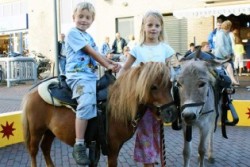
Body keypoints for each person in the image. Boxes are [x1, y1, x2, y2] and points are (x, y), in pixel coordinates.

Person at [65, 2, 121, 165]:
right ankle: (79, 144)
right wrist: (108, 65)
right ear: (73, 17)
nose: (83, 20)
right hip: (78, 76)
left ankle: (99, 135)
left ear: (92, 20)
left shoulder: (88, 37)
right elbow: (91, 52)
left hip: (90, 77)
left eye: (87, 17)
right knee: (86, 101)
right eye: (80, 16)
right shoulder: (72, 33)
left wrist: (114, 62)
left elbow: (99, 54)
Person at [118, 10, 175, 167]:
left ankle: (153, 157)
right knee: (145, 133)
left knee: (155, 132)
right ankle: (148, 163)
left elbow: (171, 70)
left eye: (157, 25)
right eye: (150, 25)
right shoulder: (137, 49)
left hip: (161, 97)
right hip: (144, 99)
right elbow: (125, 69)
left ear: (161, 28)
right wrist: (120, 82)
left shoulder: (166, 49)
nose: (153, 28)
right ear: (143, 27)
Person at [214, 20, 239, 86]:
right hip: (221, 56)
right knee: (229, 67)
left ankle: (232, 81)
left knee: (231, 67)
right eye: (230, 26)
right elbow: (221, 46)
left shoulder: (226, 34)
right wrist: (227, 55)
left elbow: (229, 46)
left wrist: (232, 53)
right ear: (228, 27)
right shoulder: (220, 34)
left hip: (227, 55)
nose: (230, 28)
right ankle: (232, 81)